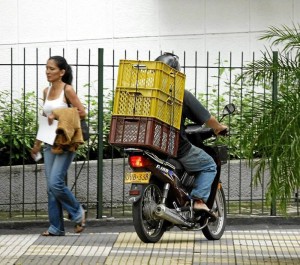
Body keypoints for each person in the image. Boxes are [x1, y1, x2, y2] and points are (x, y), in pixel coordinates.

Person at [155, 52, 228, 214]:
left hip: (148, 146)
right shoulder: (180, 94)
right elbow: (206, 118)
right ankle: (199, 200)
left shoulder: (145, 93)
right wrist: (218, 127)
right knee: (209, 165)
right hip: (174, 147)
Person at [31, 56, 86, 236]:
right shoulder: (46, 91)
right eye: (47, 68)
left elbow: (82, 112)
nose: (48, 71)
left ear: (62, 72)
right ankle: (56, 227)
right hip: (49, 143)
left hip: (65, 142)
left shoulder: (67, 90)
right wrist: (37, 144)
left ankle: (77, 212)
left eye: (52, 69)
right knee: (51, 188)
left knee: (56, 182)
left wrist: (57, 113)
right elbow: (44, 118)